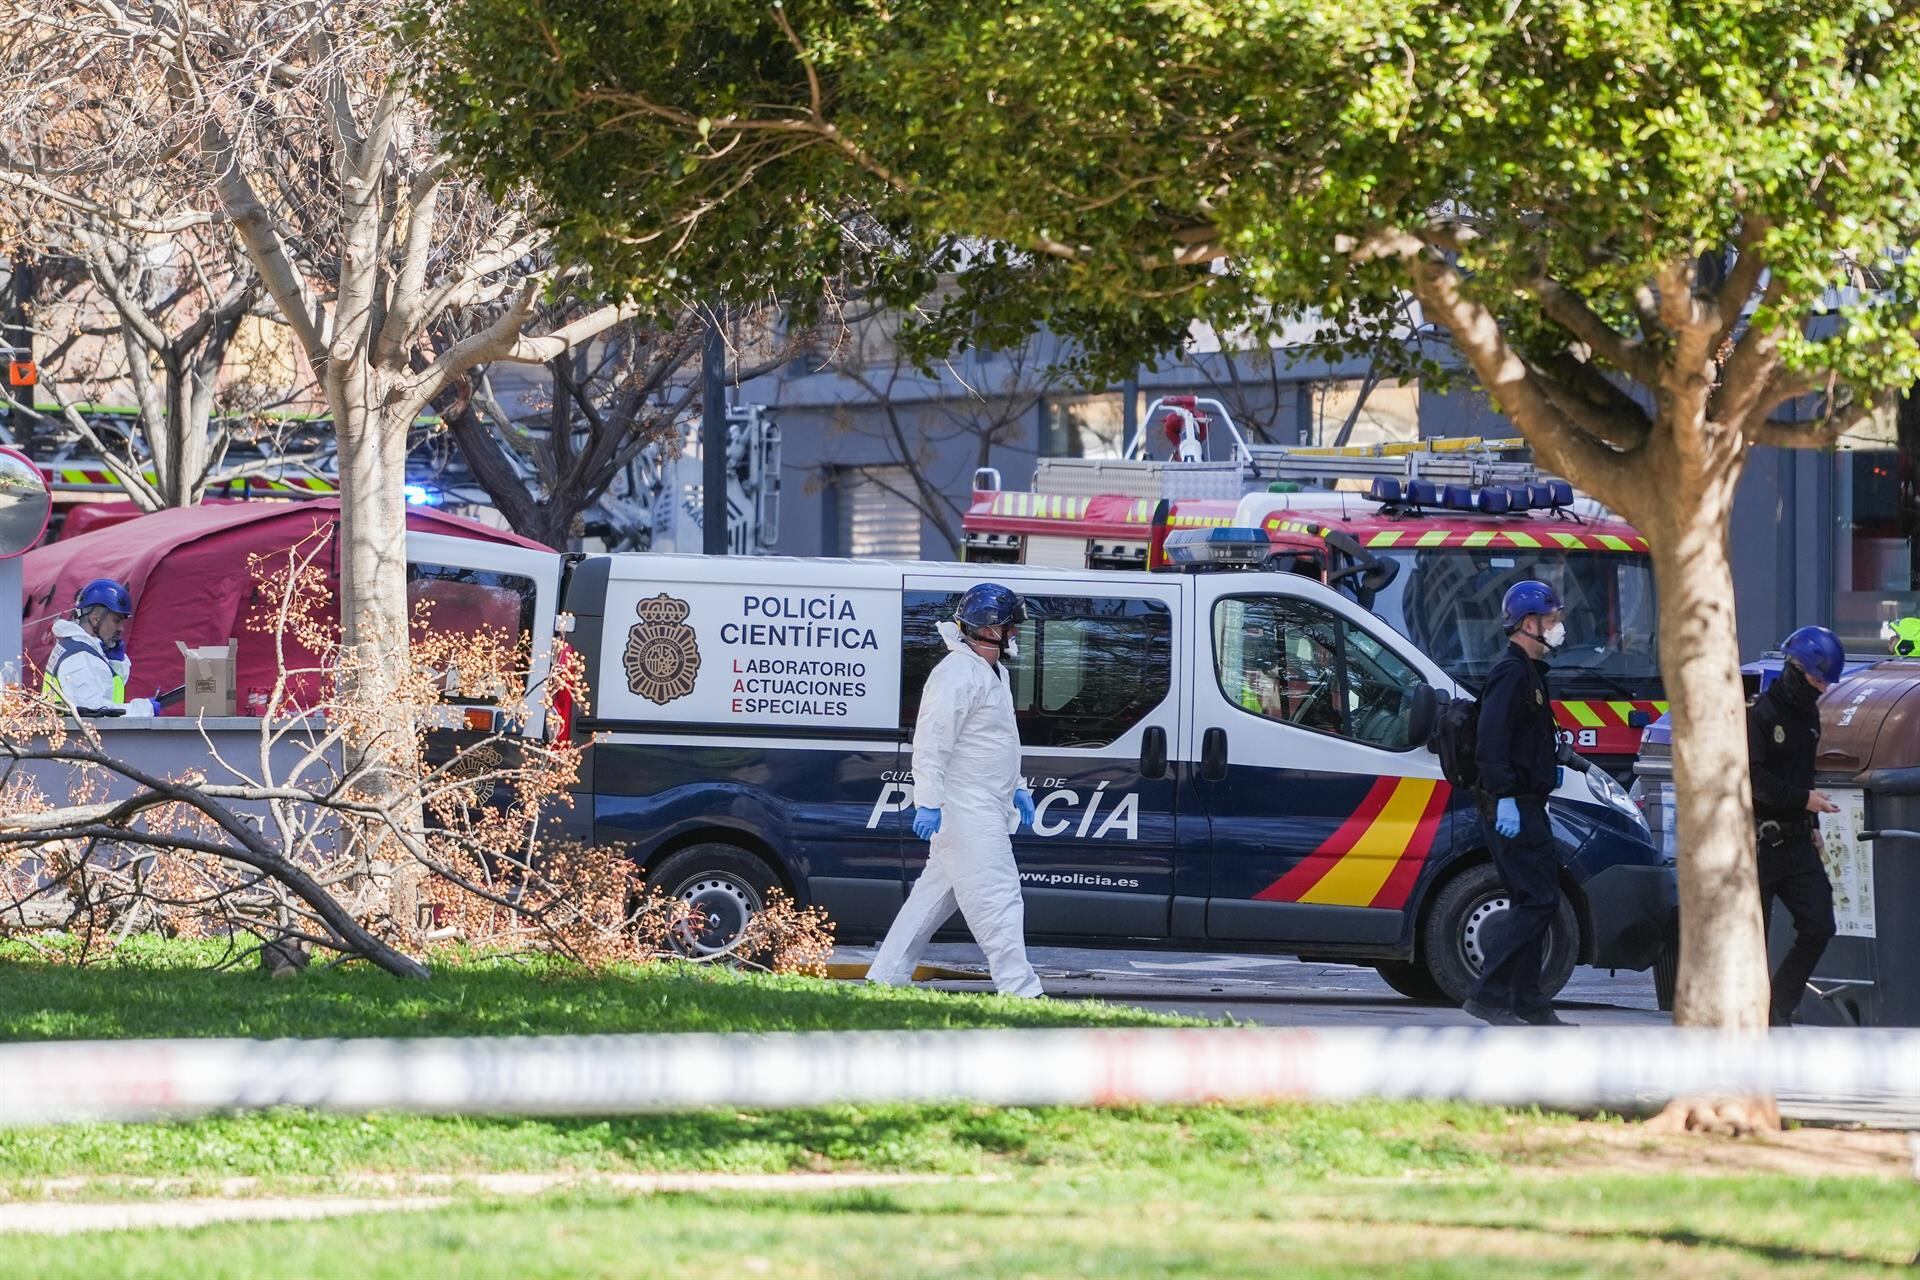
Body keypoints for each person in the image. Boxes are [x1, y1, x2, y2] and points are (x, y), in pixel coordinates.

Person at [867, 582, 1044, 997]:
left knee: (929, 902)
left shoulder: (988, 671)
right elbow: (932, 742)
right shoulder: (958, 673)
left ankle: (884, 977)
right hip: (966, 811)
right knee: (998, 898)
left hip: (978, 805)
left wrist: (1016, 787)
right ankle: (1021, 990)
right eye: (1010, 628)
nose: (1015, 634)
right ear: (989, 629)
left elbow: (994, 742)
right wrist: (928, 802)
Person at [1462, 579, 1571, 1027]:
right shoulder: (1511, 673)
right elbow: (1491, 742)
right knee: (1540, 900)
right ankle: (1487, 993)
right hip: (1513, 808)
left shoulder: (1527, 674)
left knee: (1532, 899)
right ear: (1529, 624)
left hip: (1527, 803)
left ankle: (1529, 1001)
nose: (1558, 627)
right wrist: (1505, 796)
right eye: (1552, 620)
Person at [1749, 625, 1843, 1027]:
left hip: (1797, 839)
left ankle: (1778, 1006)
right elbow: (1753, 777)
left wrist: (1812, 821)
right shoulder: (1761, 716)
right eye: (1818, 679)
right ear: (1795, 668)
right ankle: (1751, 1016)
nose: (1822, 688)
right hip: (1759, 841)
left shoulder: (1810, 715)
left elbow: (1804, 774)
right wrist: (1803, 801)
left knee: (1820, 924)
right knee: (1754, 941)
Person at [40, 578, 158, 718]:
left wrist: (115, 664)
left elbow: (105, 693)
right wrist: (145, 709)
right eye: (116, 620)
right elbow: (94, 712)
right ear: (96, 618)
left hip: (75, 736)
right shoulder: (79, 657)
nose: (121, 629)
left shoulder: (78, 648)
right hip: (78, 738)